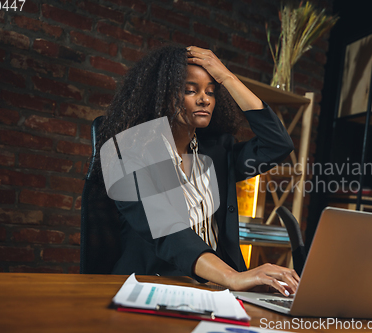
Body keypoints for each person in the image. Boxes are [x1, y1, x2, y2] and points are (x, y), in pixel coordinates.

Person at [94, 44, 299, 296]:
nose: (204, 99)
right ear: (162, 95)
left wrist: (228, 77)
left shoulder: (217, 152)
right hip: (155, 285)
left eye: (211, 92)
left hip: (220, 289)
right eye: (190, 90)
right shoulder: (127, 154)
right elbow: (168, 231)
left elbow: (278, 145)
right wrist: (233, 278)